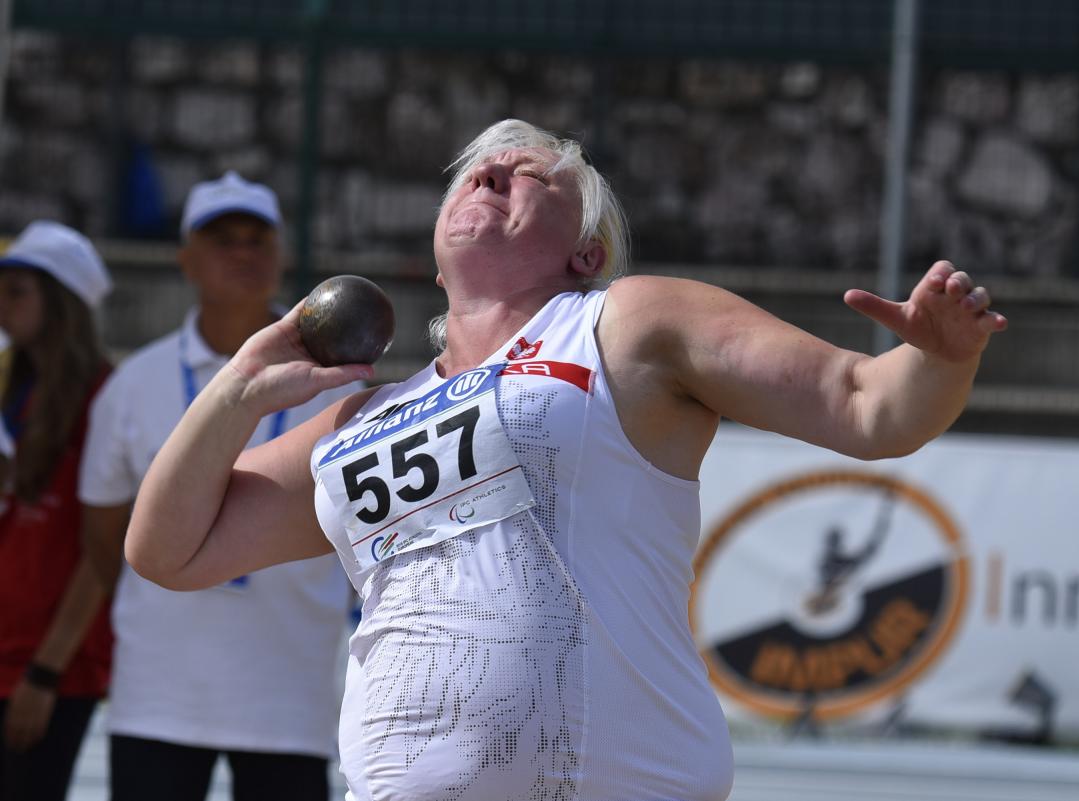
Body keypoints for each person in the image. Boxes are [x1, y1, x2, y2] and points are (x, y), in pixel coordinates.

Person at [123, 120, 1007, 801]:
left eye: (527, 173)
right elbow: (168, 549)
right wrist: (239, 385)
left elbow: (870, 407)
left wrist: (941, 356)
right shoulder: (362, 420)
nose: (491, 172)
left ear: (585, 251)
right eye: (477, 169)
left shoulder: (625, 322)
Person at [78, 172, 361, 801]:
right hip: (158, 696)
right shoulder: (135, 381)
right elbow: (104, 533)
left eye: (257, 239)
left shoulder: (341, 388)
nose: (242, 252)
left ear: (280, 256)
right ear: (185, 259)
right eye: (221, 239)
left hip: (289, 703)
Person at [0, 221, 114, 801]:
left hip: (50, 669)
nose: (2, 305)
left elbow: (100, 553)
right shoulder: (14, 389)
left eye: (17, 290)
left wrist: (45, 672)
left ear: (61, 301)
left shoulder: (106, 398)